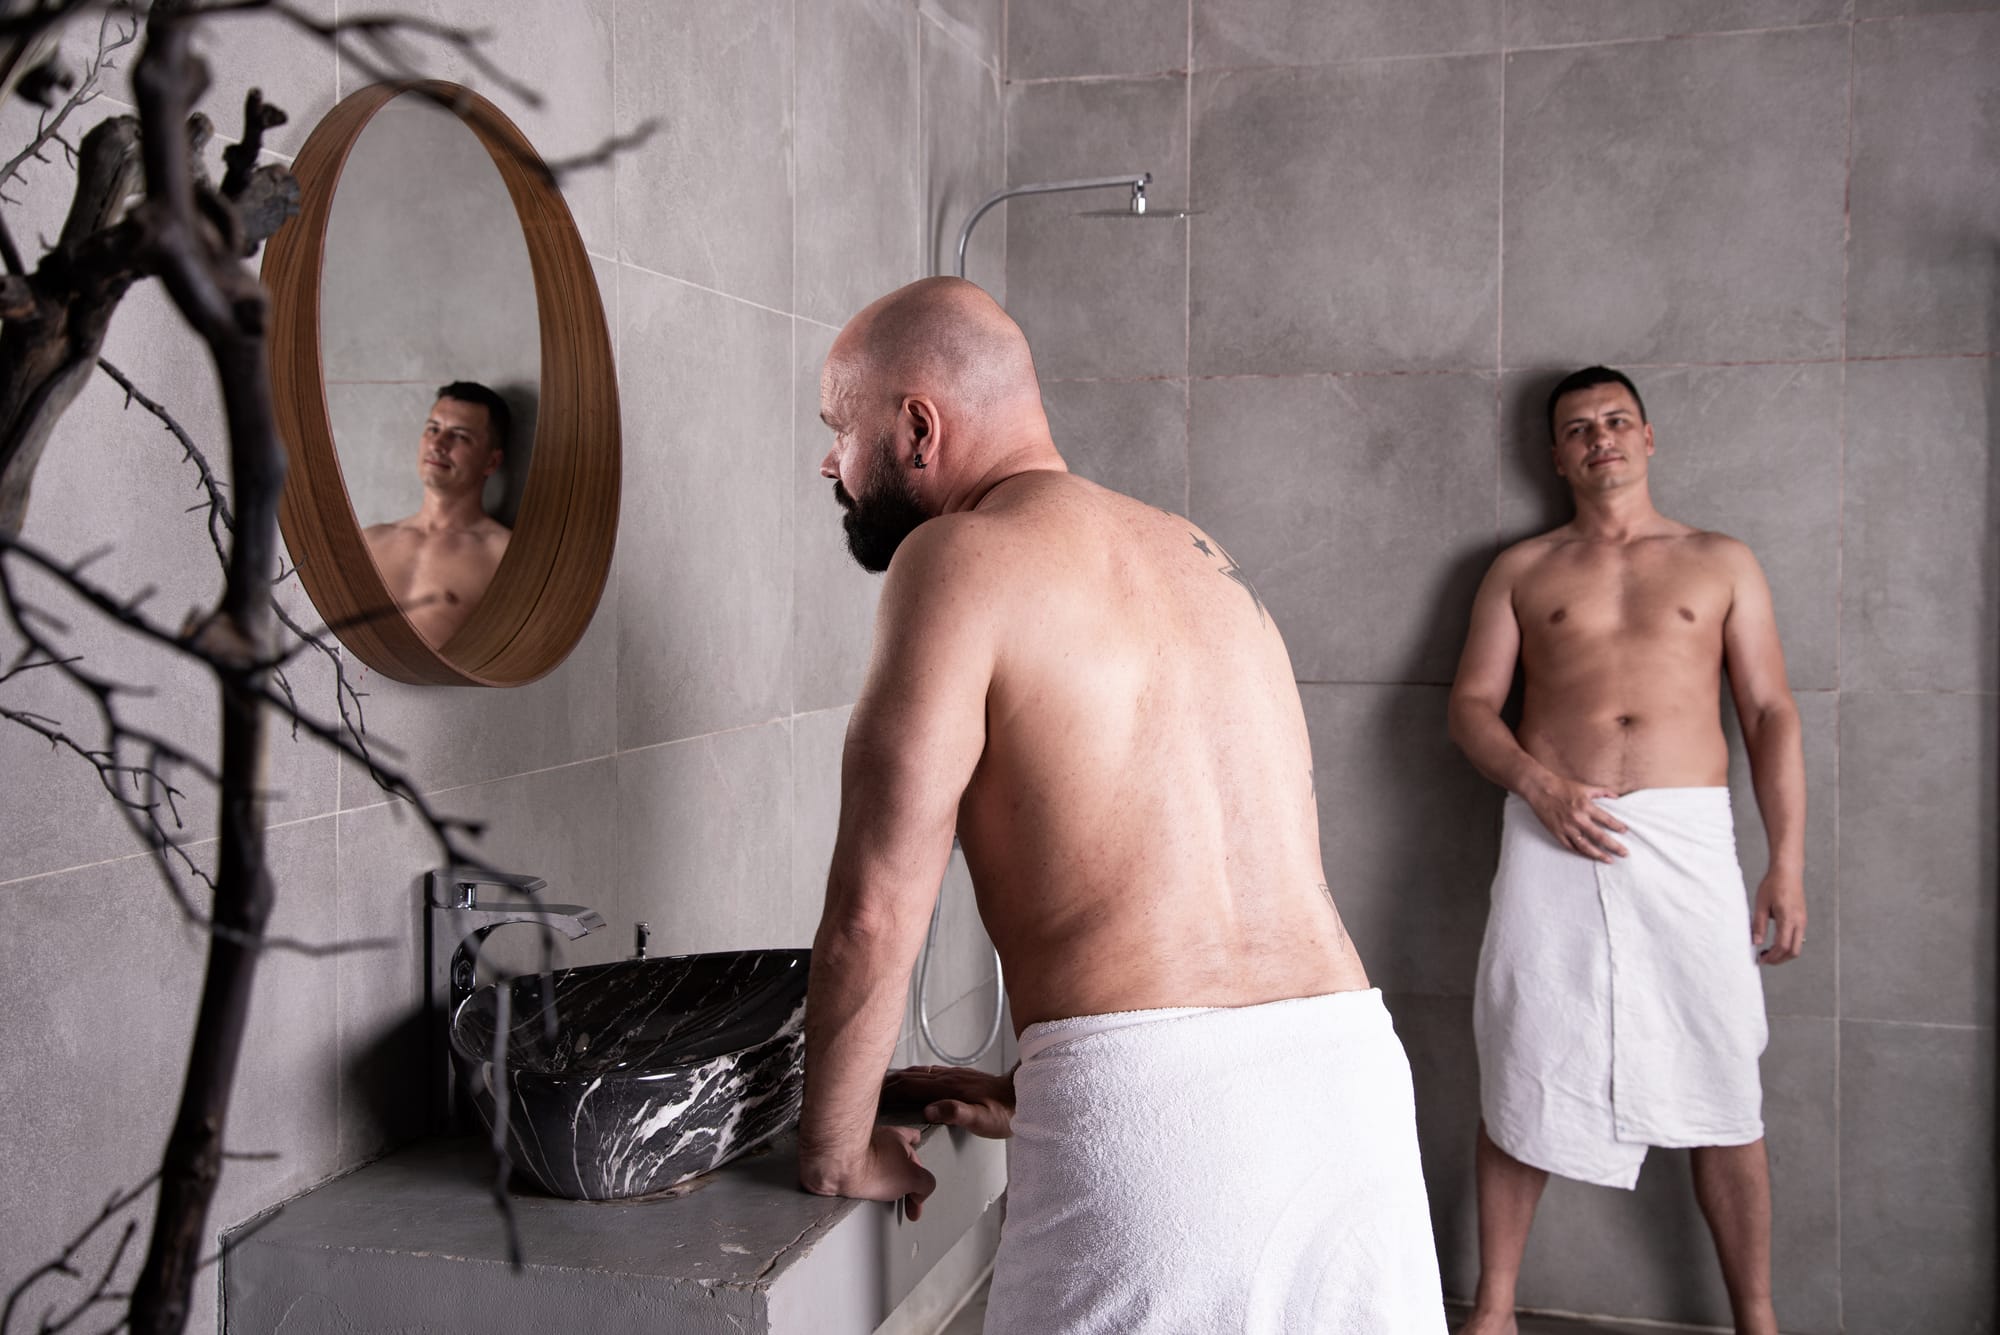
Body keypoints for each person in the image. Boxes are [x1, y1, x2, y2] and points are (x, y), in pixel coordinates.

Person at [796, 276, 1447, 1333]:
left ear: (917, 428)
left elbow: (870, 914)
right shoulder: (1198, 555)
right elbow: (1192, 870)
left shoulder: (957, 558)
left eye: (840, 427)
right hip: (1348, 1097)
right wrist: (1044, 1080)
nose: (830, 462)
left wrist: (835, 1148)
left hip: (1160, 1131)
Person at [1447, 367, 1806, 1335]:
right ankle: (1493, 1308)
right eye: (1577, 428)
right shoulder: (1521, 570)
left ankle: (1757, 1318)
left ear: (1649, 438)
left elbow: (1769, 711)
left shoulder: (1720, 560)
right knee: (1524, 1051)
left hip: (1687, 838)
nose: (1598, 437)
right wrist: (1539, 786)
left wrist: (1786, 860)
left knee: (1721, 1068)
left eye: (1615, 420)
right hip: (1550, 828)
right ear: (1555, 456)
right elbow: (1470, 707)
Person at [362, 381, 513, 647]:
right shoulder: (369, 542)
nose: (437, 443)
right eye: (433, 429)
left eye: (460, 436)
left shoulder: (504, 556)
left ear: (491, 462)